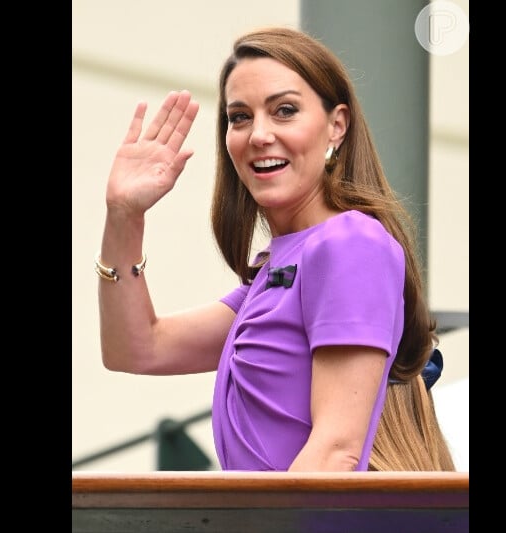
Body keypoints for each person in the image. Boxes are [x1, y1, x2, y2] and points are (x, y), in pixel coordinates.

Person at [96, 26, 455, 472]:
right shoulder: (281, 270)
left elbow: (334, 452)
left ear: (336, 126)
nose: (259, 134)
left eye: (284, 110)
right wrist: (124, 215)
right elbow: (136, 348)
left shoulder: (349, 243)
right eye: (240, 117)